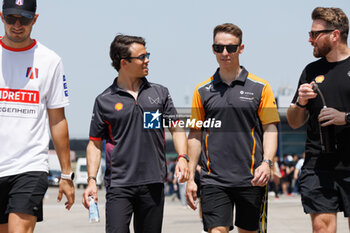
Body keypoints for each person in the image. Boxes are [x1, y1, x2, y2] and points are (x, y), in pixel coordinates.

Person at [82, 34, 189, 233]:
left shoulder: (160, 93)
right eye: (141, 56)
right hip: (119, 184)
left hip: (153, 182)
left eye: (147, 54)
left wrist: (183, 157)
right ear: (124, 63)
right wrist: (91, 181)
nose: (147, 59)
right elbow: (95, 144)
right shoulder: (104, 100)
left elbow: (176, 127)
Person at [186, 23, 280, 233]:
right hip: (213, 179)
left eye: (231, 48)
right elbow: (194, 134)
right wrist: (191, 177)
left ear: (241, 48)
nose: (225, 53)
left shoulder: (261, 87)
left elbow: (271, 130)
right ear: (213, 49)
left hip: (252, 178)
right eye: (219, 48)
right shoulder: (201, 91)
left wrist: (267, 163)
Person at [0, 0, 75, 232]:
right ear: (2, 17)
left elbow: (57, 119)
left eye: (24, 19)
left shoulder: (50, 60)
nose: (17, 24)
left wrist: (66, 173)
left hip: (30, 165)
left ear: (35, 19)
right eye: (11, 18)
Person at [287, 7, 350, 233]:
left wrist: (345, 118)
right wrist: (300, 103)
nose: (310, 39)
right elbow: (294, 121)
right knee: (321, 228)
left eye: (315, 34)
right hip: (318, 164)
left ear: (335, 34)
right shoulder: (311, 70)